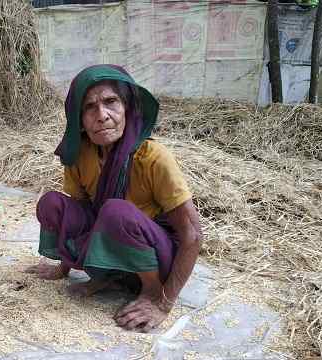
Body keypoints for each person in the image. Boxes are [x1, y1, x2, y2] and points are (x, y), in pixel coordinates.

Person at [25, 64, 203, 332]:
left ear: (128, 109)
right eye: (89, 107)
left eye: (111, 102)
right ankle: (108, 276)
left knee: (115, 211)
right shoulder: (80, 155)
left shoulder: (152, 157)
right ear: (80, 121)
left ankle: (149, 291)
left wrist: (163, 303)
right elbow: (80, 216)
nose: (102, 116)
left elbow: (193, 234)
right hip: (113, 243)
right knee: (53, 204)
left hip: (157, 256)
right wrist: (62, 269)